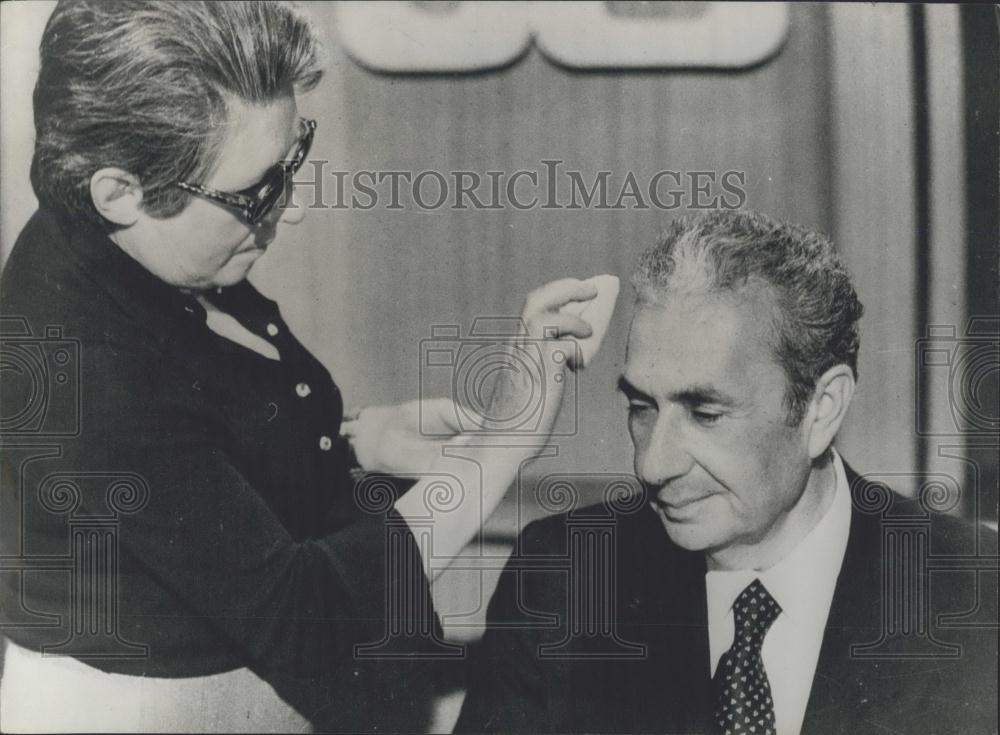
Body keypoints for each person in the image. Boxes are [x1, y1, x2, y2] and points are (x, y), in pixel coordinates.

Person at [0, 2, 600, 732]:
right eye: (254, 191)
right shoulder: (82, 371)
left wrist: (354, 440)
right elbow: (309, 613)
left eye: (294, 159)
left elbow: (194, 459)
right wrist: (500, 444)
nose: (291, 210)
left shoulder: (133, 248)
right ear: (119, 193)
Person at [456, 210, 998, 734]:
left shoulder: (977, 594)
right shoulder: (565, 582)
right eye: (641, 407)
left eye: (706, 414)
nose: (653, 464)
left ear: (821, 407)